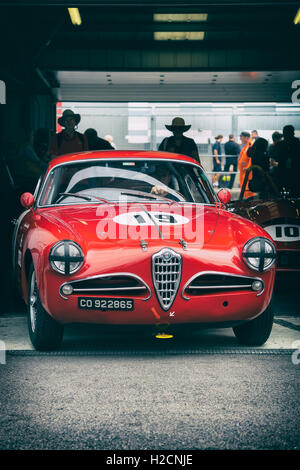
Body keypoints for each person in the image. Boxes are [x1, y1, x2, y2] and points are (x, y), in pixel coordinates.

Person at [273, 125, 300, 196]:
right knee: (295, 193)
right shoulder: (297, 143)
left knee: (281, 194)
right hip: (295, 172)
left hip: (283, 172)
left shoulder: (280, 145)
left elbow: (276, 156)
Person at [238, 131, 256, 198]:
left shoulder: (250, 145)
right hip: (243, 174)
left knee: (248, 191)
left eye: (241, 137)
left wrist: (248, 168)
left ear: (246, 137)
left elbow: (252, 158)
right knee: (244, 191)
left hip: (248, 174)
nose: (240, 139)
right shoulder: (245, 147)